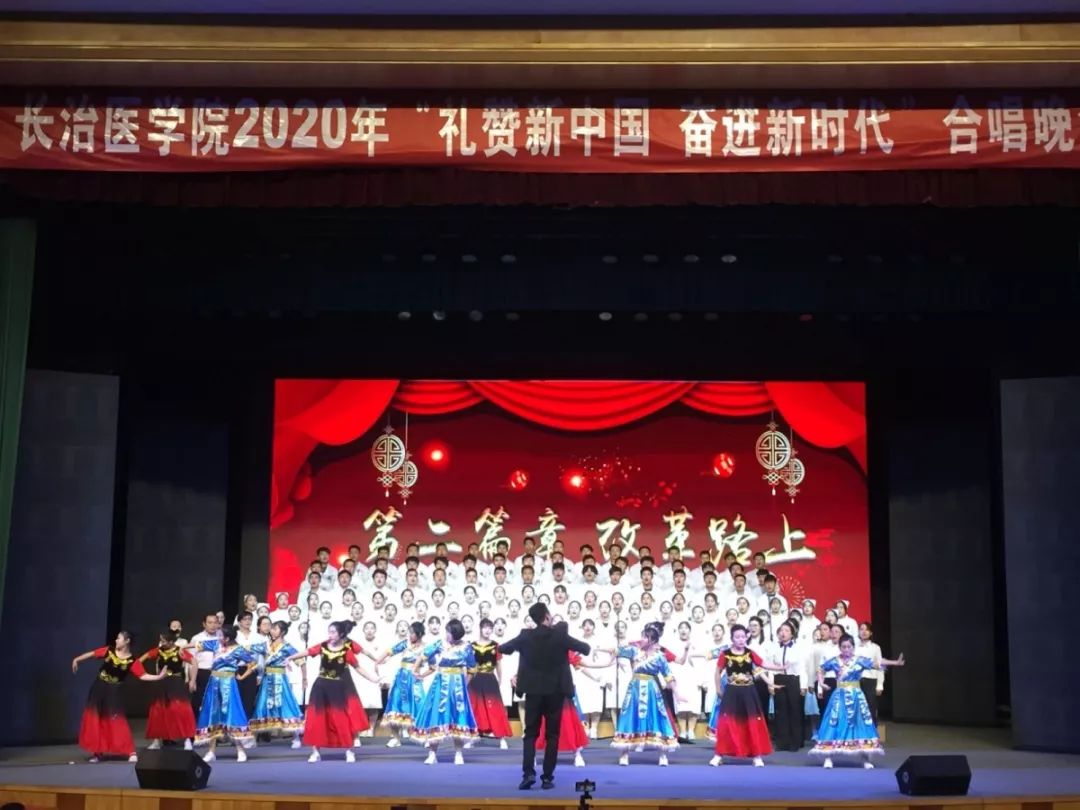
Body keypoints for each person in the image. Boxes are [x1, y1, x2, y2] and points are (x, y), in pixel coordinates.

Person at [498, 602, 590, 790]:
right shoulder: (560, 634)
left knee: (530, 734)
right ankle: (547, 777)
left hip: (533, 692)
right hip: (555, 692)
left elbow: (504, 648)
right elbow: (585, 648)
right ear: (547, 616)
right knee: (552, 735)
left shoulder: (525, 635)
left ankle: (528, 774)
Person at [288, 620, 379, 763]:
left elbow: (358, 668)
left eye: (333, 632)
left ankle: (349, 751)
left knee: (342, 720)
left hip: (338, 689)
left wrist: (373, 679)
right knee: (317, 720)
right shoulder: (323, 646)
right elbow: (308, 652)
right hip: (321, 687)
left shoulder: (346, 651)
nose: (329, 635)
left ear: (341, 634)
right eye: (329, 632)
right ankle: (315, 752)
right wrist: (290, 657)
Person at [810, 634, 905, 769]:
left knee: (861, 724)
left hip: (856, 696)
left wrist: (895, 663)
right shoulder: (835, 661)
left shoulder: (859, 660)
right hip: (839, 696)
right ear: (840, 647)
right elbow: (821, 669)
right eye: (843, 647)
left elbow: (877, 663)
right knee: (833, 723)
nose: (846, 649)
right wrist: (821, 682)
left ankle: (865, 758)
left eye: (849, 647)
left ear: (853, 647)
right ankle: (828, 757)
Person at [72, 632, 166, 762]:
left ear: (127, 641)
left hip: (113, 691)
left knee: (117, 719)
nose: (116, 640)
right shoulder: (109, 651)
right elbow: (92, 654)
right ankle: (98, 753)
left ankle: (130, 751)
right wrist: (77, 659)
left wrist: (158, 677)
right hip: (98, 688)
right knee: (97, 720)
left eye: (119, 638)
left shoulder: (132, 661)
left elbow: (143, 675)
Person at [709, 624, 785, 767]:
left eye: (743, 637)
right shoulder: (725, 654)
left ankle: (756, 755)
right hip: (731, 691)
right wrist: (718, 688)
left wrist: (780, 667)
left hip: (749, 692)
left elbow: (763, 664)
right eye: (737, 637)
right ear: (732, 638)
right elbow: (717, 672)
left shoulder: (750, 653)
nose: (741, 640)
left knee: (752, 722)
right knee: (726, 723)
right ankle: (719, 755)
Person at [610, 624, 679, 767]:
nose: (641, 639)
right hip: (634, 689)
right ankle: (624, 754)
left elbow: (668, 676)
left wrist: (677, 694)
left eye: (645, 637)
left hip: (652, 690)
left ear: (652, 640)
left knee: (657, 717)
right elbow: (616, 650)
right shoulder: (634, 651)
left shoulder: (660, 657)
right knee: (629, 717)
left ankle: (663, 754)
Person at [413, 618, 479, 764]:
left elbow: (472, 668)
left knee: (458, 716)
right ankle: (432, 753)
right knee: (436, 715)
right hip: (440, 682)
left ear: (455, 633)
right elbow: (424, 654)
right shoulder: (440, 643)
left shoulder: (466, 647)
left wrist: (465, 684)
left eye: (448, 632)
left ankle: (458, 753)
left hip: (458, 685)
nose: (446, 634)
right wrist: (415, 669)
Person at [188, 624, 258, 762]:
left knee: (232, 713)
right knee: (213, 714)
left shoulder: (238, 649)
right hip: (214, 683)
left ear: (227, 638)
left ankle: (240, 750)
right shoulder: (215, 644)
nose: (217, 637)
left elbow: (253, 663)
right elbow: (197, 644)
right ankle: (211, 751)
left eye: (220, 635)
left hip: (229, 684)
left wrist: (242, 676)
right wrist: (182, 647)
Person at [248, 621, 305, 748]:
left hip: (280, 679)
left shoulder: (287, 647)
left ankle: (296, 737)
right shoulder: (266, 645)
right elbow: (250, 648)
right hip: (267, 679)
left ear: (282, 632)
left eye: (275, 629)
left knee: (286, 704)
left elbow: (301, 661)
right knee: (261, 705)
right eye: (272, 629)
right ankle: (253, 737)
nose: (272, 631)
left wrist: (304, 678)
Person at [139, 630, 197, 751]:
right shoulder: (158, 651)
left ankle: (187, 740)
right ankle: (156, 741)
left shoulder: (179, 651)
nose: (161, 643)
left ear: (171, 642)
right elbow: (140, 660)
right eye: (161, 640)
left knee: (181, 711)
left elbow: (194, 662)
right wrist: (143, 674)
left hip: (176, 684)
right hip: (161, 683)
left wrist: (192, 680)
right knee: (158, 712)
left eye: (163, 641)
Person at [380, 621, 428, 747]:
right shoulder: (405, 644)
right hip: (401, 678)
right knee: (395, 705)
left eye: (412, 633)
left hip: (414, 680)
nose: (410, 635)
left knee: (420, 705)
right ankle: (396, 738)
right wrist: (377, 661)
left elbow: (433, 665)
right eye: (409, 632)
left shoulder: (425, 648)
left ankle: (424, 737)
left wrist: (422, 675)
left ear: (419, 634)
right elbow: (390, 650)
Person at [468, 619, 513, 748]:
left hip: (490, 678)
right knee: (475, 708)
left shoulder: (495, 646)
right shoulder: (471, 646)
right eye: (485, 627)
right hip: (476, 679)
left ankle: (502, 738)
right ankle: (472, 737)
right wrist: (467, 681)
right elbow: (469, 666)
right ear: (480, 628)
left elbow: (498, 664)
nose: (488, 630)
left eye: (490, 628)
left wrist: (500, 679)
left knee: (495, 709)